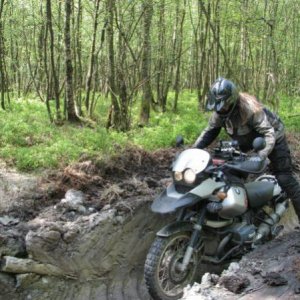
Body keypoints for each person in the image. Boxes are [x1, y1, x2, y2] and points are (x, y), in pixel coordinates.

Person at [194, 77, 300, 223]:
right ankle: (242, 214)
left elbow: (268, 134)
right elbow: (209, 131)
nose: (221, 108)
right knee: (227, 170)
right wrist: (193, 150)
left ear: (231, 100)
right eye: (218, 105)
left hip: (272, 136)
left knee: (284, 178)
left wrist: (260, 156)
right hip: (244, 138)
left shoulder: (250, 108)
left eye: (224, 105)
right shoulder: (219, 112)